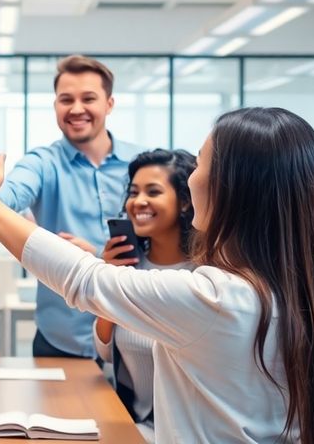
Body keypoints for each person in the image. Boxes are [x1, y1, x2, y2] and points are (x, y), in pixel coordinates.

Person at [0, 90, 314, 444]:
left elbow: (84, 279)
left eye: (199, 165)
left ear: (231, 189)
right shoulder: (287, 288)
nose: (191, 177)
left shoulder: (219, 299)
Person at [0, 55, 140, 359]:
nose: (76, 109)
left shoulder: (142, 165)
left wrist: (98, 257)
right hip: (63, 342)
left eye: (88, 98)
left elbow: (169, 243)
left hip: (135, 338)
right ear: (55, 107)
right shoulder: (42, 163)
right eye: (66, 99)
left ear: (109, 104)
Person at [94, 148, 196, 438]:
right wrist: (107, 281)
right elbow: (106, 351)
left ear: (185, 202)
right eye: (133, 192)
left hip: (185, 431)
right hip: (132, 423)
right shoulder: (129, 266)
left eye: (153, 192)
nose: (138, 202)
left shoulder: (205, 276)